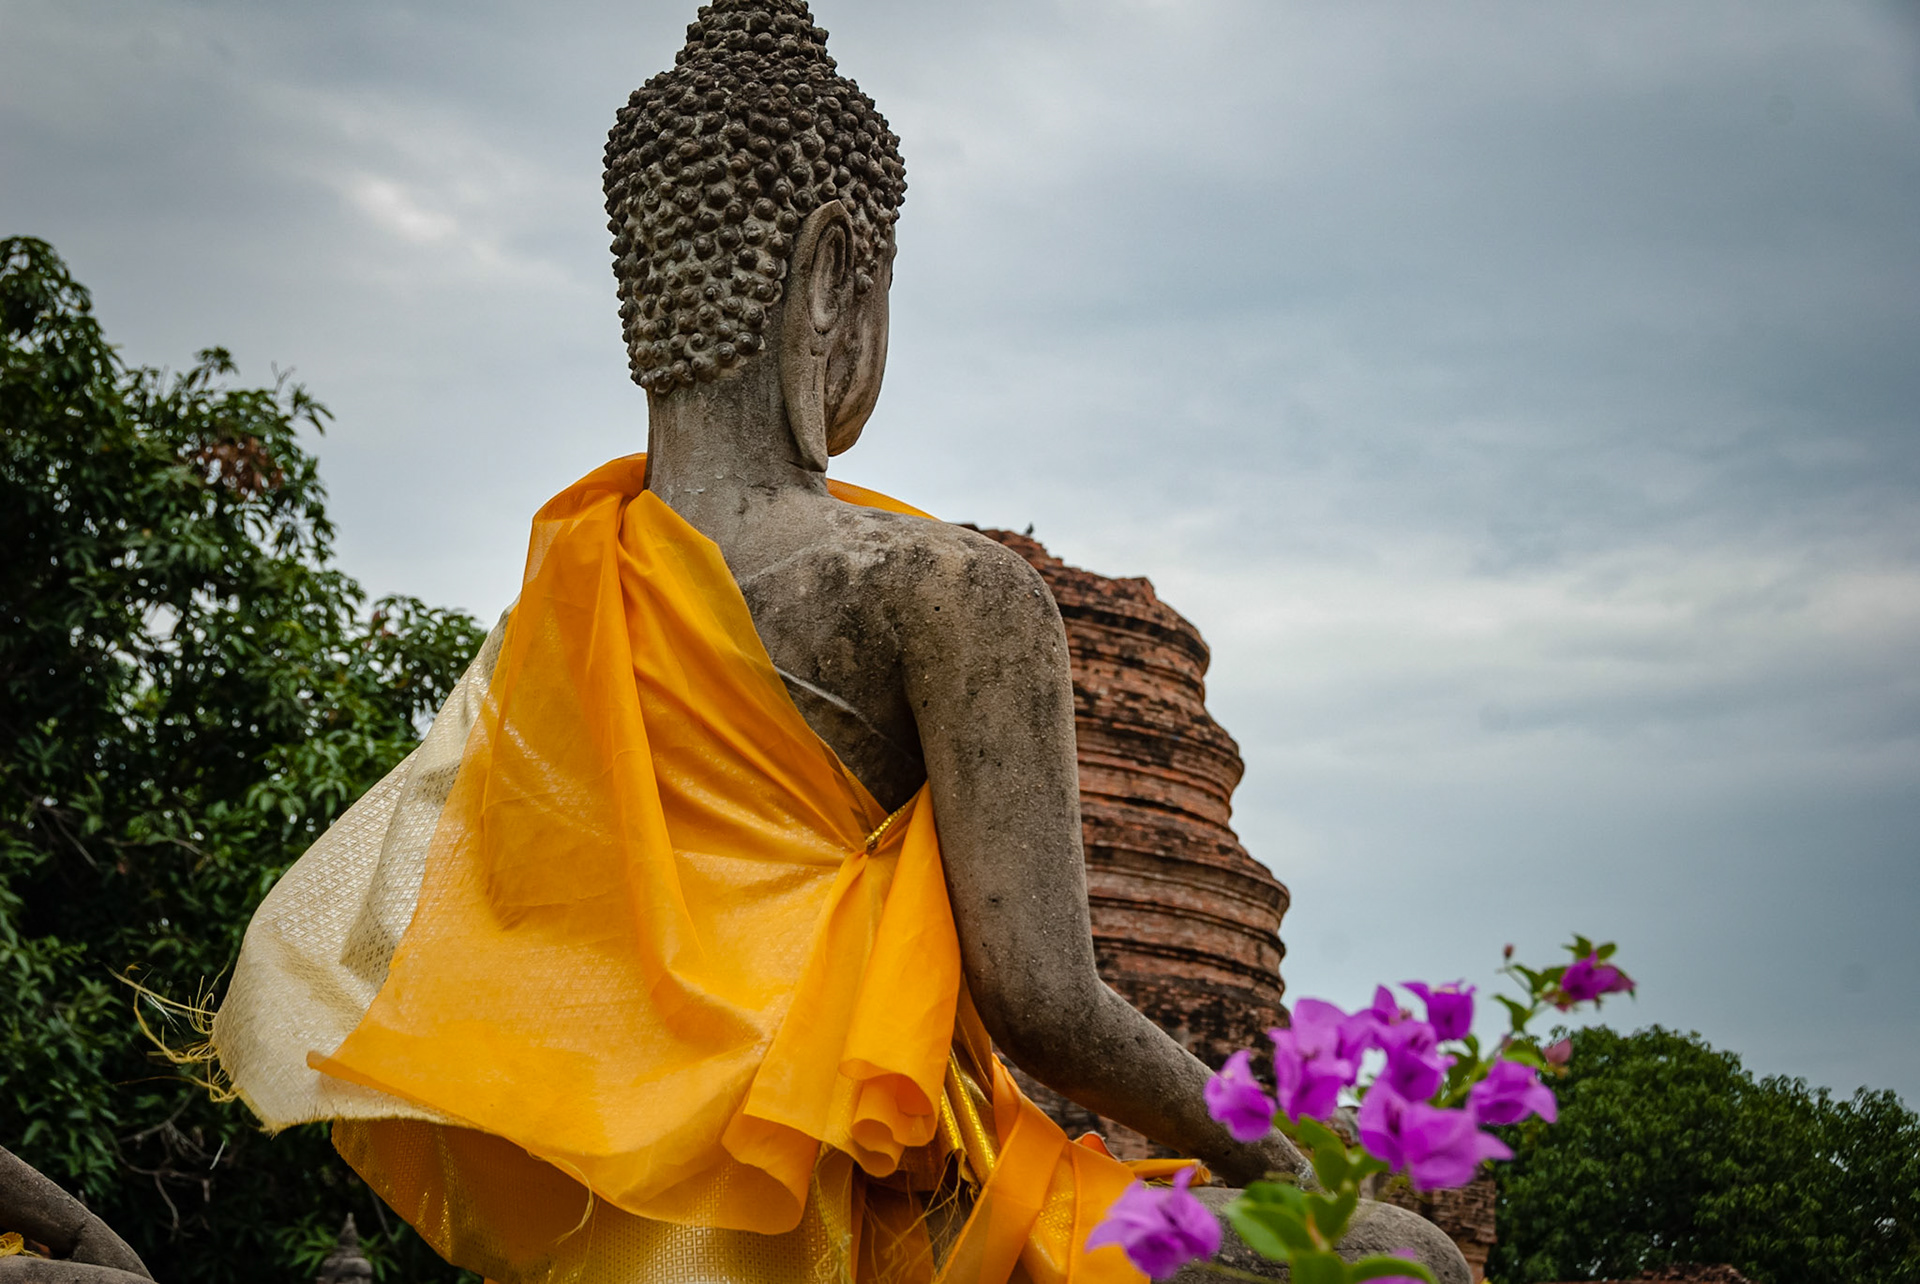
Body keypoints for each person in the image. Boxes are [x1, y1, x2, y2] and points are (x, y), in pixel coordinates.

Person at [210, 3, 1468, 1282]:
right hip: (894, 1213)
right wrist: (1291, 1172)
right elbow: (1045, 1003)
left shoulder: (564, 603)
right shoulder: (940, 586)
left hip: (645, 1228)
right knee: (1398, 1260)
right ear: (831, 277)